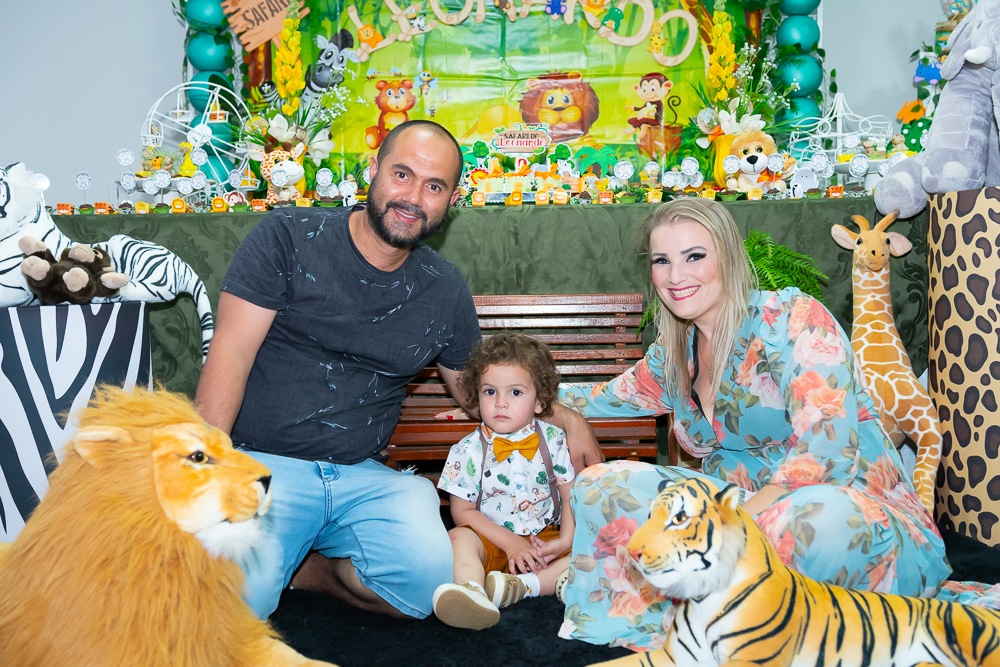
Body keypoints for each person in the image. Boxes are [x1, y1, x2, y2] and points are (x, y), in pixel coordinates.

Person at [195, 120, 603, 621]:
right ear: (373, 169)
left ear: (451, 199)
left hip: (364, 475)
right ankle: (280, 567)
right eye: (402, 174)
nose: (413, 197)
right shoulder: (288, 236)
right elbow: (231, 353)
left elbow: (476, 391)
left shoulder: (443, 286)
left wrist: (566, 417)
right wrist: (204, 468)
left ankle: (309, 572)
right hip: (265, 465)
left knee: (425, 589)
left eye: (434, 186)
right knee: (231, 609)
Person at [555, 198, 962, 650]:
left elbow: (825, 454)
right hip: (734, 520)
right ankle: (690, 621)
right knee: (600, 486)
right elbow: (596, 399)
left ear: (728, 256)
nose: (675, 276)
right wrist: (564, 414)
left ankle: (729, 619)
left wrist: (724, 527)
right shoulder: (673, 354)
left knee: (814, 520)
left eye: (694, 256)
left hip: (841, 508)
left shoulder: (791, 319)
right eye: (661, 261)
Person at [433, 333, 575, 630]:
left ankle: (521, 587)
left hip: (545, 542)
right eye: (489, 391)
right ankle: (471, 589)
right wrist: (511, 543)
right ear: (477, 395)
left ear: (540, 401)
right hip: (492, 540)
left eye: (515, 393)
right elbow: (462, 512)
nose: (500, 403)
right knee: (458, 538)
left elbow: (570, 495)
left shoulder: (554, 439)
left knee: (594, 547)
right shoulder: (467, 449)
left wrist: (565, 539)